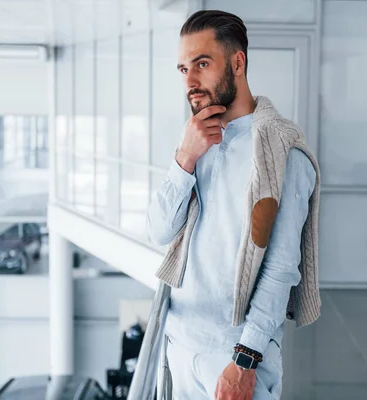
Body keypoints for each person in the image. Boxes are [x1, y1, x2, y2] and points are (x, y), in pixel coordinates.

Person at [146, 10, 321, 400]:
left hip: (233, 357)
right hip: (179, 342)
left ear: (237, 63)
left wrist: (244, 360)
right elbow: (159, 230)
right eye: (183, 69)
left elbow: (280, 268)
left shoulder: (281, 151)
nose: (190, 81)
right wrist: (185, 159)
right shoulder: (196, 137)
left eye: (202, 64)